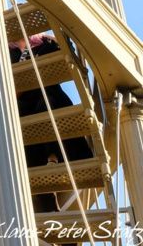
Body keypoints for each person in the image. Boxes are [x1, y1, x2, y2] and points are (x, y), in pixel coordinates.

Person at [8, 33, 93, 212]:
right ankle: (49, 176)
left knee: (47, 100)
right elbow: (11, 91)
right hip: (25, 110)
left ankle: (53, 158)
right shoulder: (6, 52)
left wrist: (55, 39)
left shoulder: (45, 43)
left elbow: (64, 63)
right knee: (31, 115)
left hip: (49, 101)